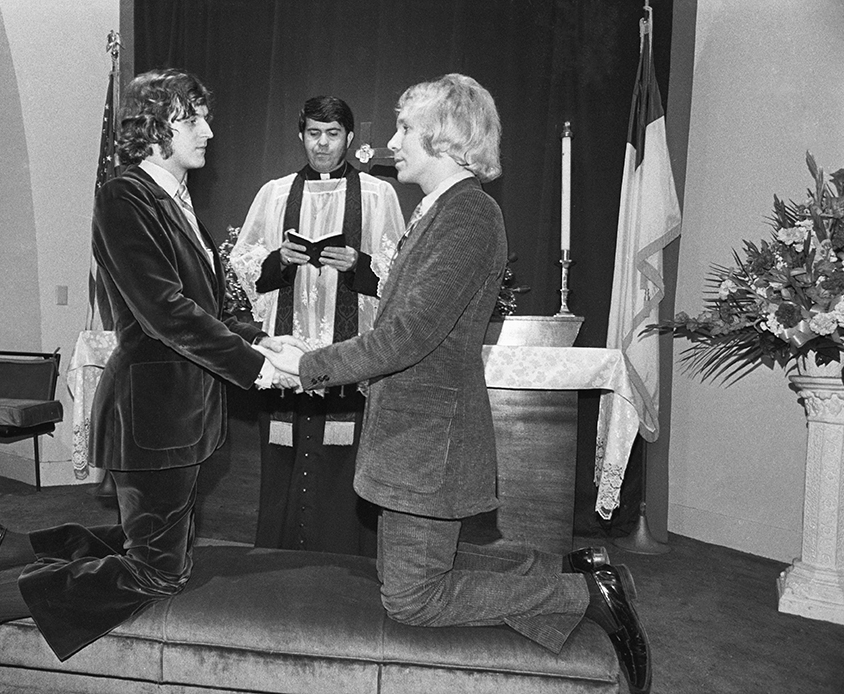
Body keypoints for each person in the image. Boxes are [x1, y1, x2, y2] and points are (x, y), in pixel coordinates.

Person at [263, 74, 652, 694]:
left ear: (445, 139)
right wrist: (309, 347)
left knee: (412, 599)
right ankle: (548, 570)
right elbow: (404, 327)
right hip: (412, 430)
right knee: (411, 570)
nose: (393, 142)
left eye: (407, 129)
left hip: (428, 438)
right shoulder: (443, 210)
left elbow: (410, 334)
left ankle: (584, 593)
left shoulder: (468, 215)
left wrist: (307, 366)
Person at [0, 68, 298, 694]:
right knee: (157, 569)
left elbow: (211, 305)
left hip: (187, 408)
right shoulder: (126, 196)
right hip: (153, 411)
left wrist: (263, 340)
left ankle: (7, 546)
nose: (208, 130)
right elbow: (165, 310)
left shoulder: (176, 200)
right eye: (192, 118)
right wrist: (256, 369)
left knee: (141, 534)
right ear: (154, 129)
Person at [230, 96, 403, 557]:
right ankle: (277, 557)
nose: (321, 144)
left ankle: (347, 560)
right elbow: (244, 266)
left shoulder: (376, 195)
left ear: (348, 138)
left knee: (343, 466)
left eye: (331, 134)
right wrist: (278, 261)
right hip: (289, 357)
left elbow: (399, 272)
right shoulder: (275, 193)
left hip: (348, 357)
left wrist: (359, 264)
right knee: (282, 462)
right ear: (300, 136)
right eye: (312, 133)